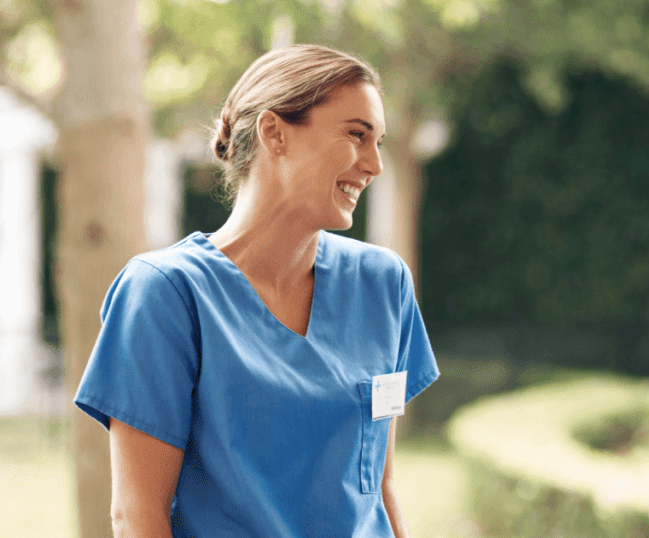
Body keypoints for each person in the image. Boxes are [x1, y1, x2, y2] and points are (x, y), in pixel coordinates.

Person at [74, 45, 439, 538]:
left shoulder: (383, 284)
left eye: (378, 141)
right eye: (357, 135)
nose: (373, 163)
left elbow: (381, 484)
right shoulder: (166, 294)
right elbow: (138, 514)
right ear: (274, 132)